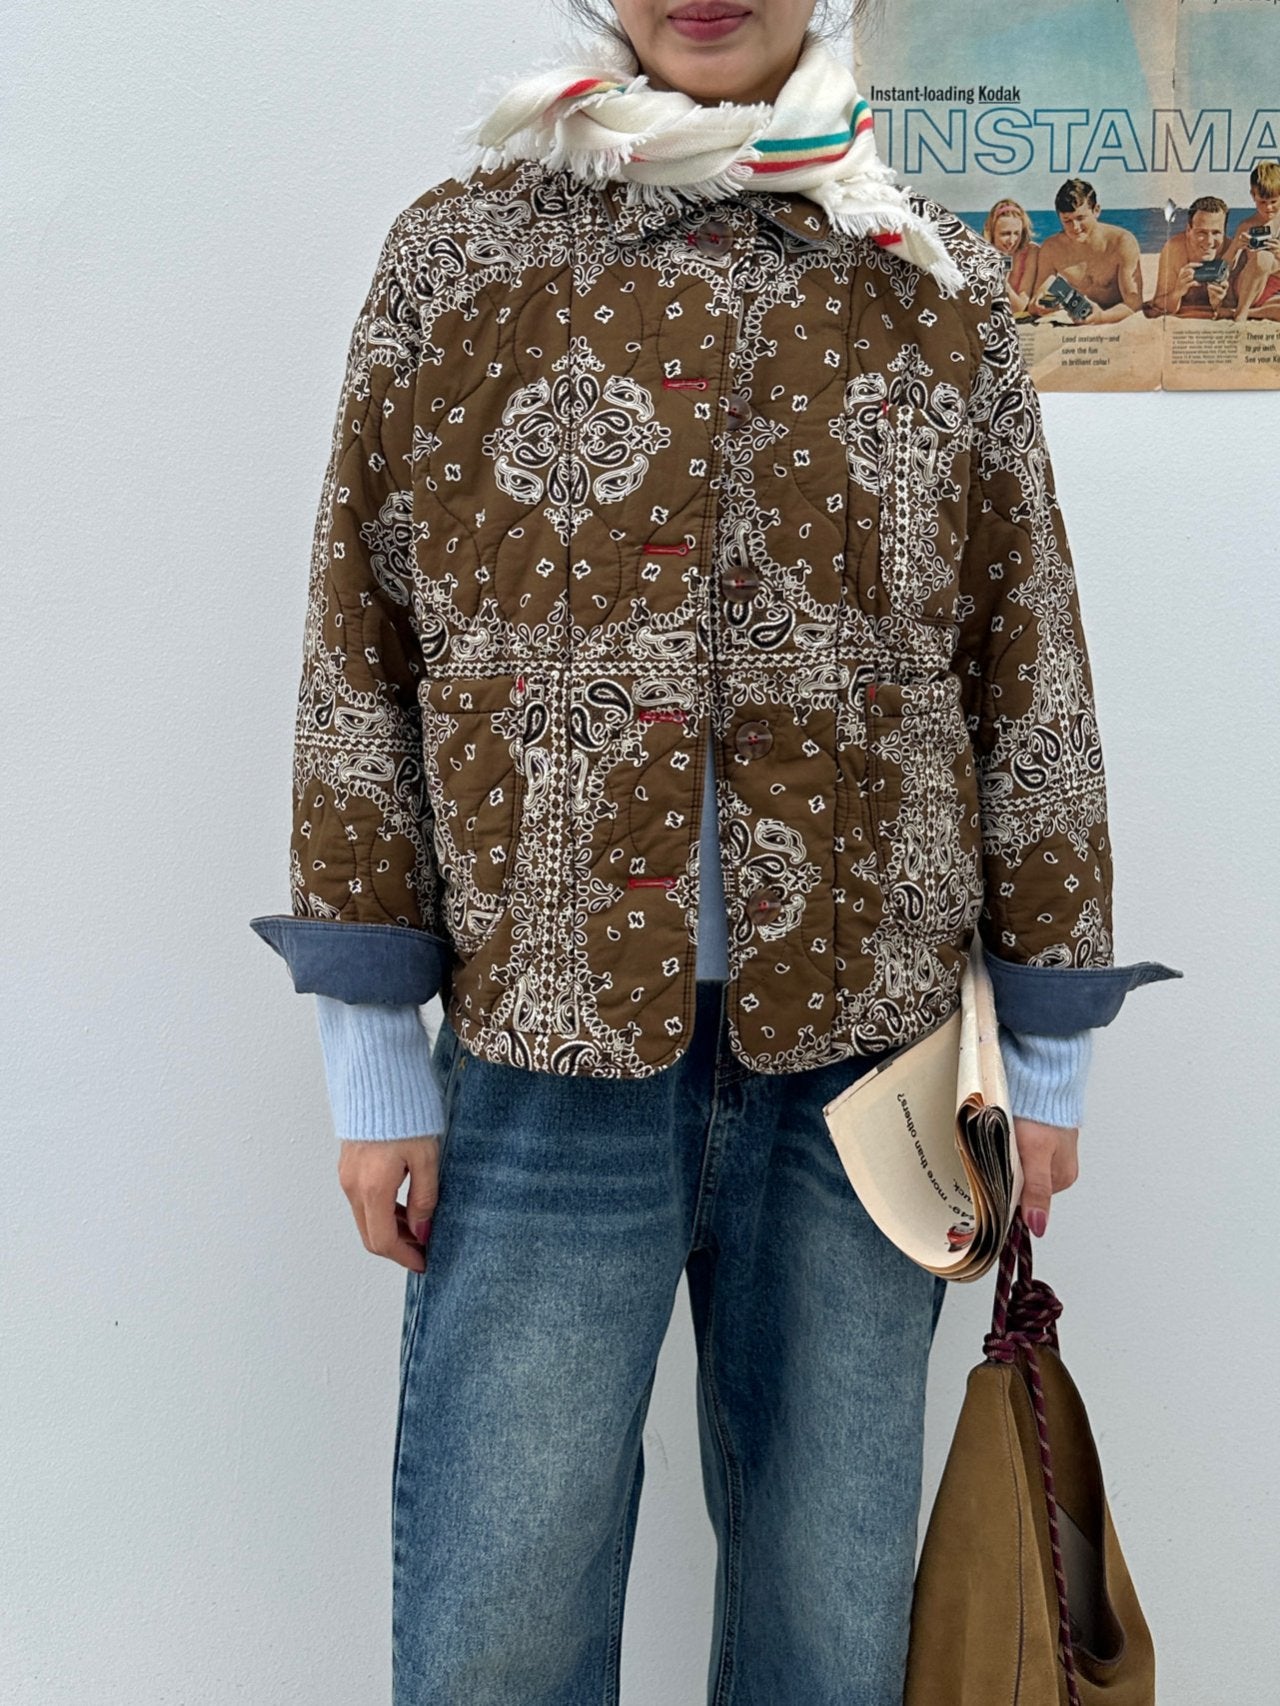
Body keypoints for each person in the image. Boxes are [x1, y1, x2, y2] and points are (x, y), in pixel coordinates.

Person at [249, 3, 1179, 1701]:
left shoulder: (924, 271)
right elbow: (361, 639)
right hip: (542, 1058)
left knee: (830, 1630)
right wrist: (371, 1057)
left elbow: (1024, 656)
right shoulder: (463, 253)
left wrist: (1046, 1058)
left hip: (870, 1074)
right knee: (499, 1625)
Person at [1026, 176, 1143, 323]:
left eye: (1081, 218)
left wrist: (1101, 317)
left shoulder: (1122, 242)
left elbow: (1134, 304)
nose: (1075, 227)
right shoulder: (1051, 248)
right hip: (1080, 316)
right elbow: (1037, 299)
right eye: (1067, 221)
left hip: (1113, 314)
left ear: (1096, 210)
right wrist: (1041, 305)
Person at [1148, 195, 1232, 318]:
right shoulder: (1175, 249)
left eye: (1216, 232)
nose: (1209, 241)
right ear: (1188, 230)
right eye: (1202, 232)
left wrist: (1218, 303)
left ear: (1224, 231)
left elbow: (1239, 308)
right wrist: (1177, 293)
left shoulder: (1231, 251)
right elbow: (1158, 303)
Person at [1221, 159, 1280, 322]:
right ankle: (1241, 312)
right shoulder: (1247, 225)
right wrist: (1236, 246)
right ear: (1253, 196)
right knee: (1264, 258)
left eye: (1274, 202)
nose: (1268, 208)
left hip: (1274, 292)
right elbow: (1224, 267)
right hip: (1249, 289)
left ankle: (1250, 313)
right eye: (1262, 202)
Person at [983, 196, 1038, 312]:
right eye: (1005, 234)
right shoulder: (980, 254)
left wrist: (1002, 282)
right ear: (991, 232)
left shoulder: (1030, 252)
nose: (1012, 241)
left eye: (1017, 233)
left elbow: (1020, 307)